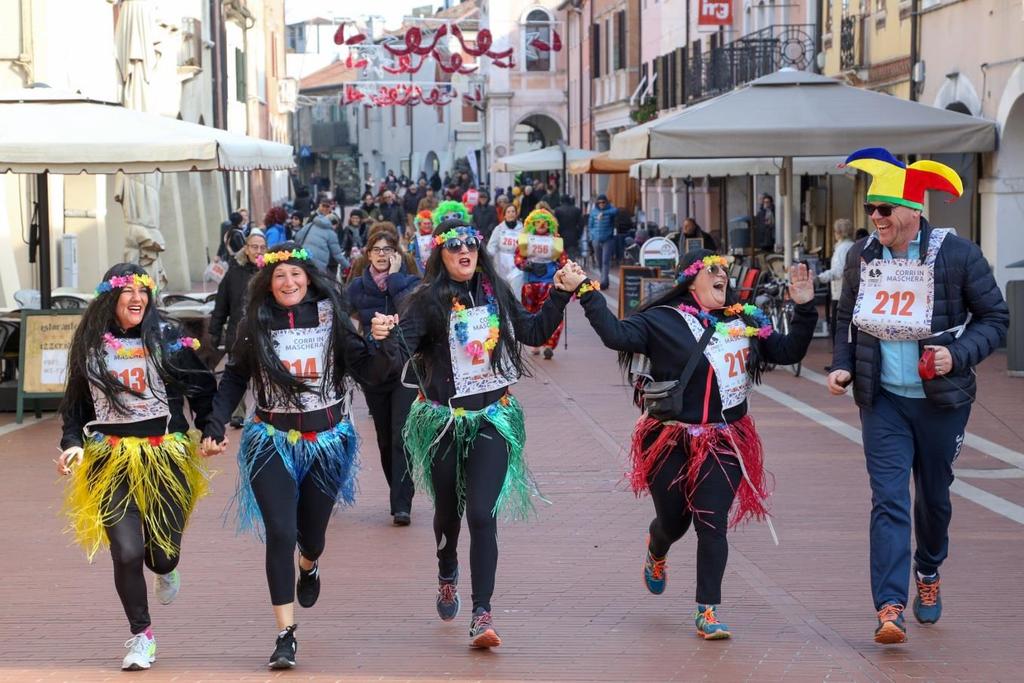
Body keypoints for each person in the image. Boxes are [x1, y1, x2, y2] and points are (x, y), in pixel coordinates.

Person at [573, 249, 815, 639]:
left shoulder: (744, 319)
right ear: (691, 279)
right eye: (713, 269)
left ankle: (708, 610)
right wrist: (586, 293)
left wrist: (804, 310)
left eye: (725, 270)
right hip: (669, 436)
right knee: (675, 519)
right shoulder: (663, 321)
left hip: (724, 439)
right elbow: (615, 336)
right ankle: (657, 548)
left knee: (710, 521)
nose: (723, 275)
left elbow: (788, 352)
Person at [827, 148, 1009, 645]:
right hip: (882, 399)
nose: (876, 220)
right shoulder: (863, 257)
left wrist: (958, 355)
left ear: (913, 211)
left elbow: (996, 320)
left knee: (933, 499)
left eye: (884, 210)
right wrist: (843, 366)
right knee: (888, 500)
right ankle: (890, 606)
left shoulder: (957, 255)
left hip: (940, 402)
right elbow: (846, 318)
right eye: (870, 210)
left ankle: (928, 570)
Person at [368, 220, 575, 649]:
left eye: (470, 245)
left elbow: (534, 332)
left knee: (482, 514)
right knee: (448, 512)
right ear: (440, 255)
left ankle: (482, 614)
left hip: (492, 419)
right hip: (443, 421)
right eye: (454, 246)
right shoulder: (425, 301)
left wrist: (559, 293)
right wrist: (383, 336)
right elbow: (397, 354)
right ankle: (447, 570)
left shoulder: (495, 293)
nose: (465, 251)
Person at [200, 242, 379, 669]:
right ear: (268, 281)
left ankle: (310, 562)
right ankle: (285, 634)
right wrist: (214, 424)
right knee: (280, 531)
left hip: (327, 440)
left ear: (309, 278)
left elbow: (366, 366)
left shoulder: (330, 318)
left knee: (310, 534)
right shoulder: (254, 323)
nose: (288, 282)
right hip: (272, 440)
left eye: (296, 274)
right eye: (280, 275)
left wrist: (383, 345)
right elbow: (234, 379)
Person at [57, 263, 216, 671]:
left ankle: (167, 568)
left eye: (142, 290)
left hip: (166, 455)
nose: (136, 298)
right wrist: (72, 443)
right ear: (111, 298)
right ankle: (141, 636)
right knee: (126, 552)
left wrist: (210, 427)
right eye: (127, 291)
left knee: (161, 556)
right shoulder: (91, 344)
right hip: (109, 459)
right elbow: (75, 404)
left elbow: (201, 386)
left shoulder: (167, 337)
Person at [346, 227, 420, 525]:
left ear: (397, 255)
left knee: (401, 432)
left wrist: (396, 281)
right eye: (376, 249)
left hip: (406, 367)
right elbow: (347, 322)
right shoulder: (356, 288)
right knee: (385, 437)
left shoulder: (411, 283)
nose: (382, 254)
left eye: (388, 249)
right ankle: (398, 490)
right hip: (374, 369)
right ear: (367, 254)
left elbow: (414, 312)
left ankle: (401, 503)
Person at [210, 229, 268, 427]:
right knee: (236, 373)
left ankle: (265, 409)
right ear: (246, 248)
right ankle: (238, 413)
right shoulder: (234, 272)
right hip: (237, 332)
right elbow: (221, 304)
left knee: (264, 374)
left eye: (262, 247)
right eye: (254, 247)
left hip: (264, 332)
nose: (258, 251)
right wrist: (214, 332)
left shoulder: (270, 272)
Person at [514, 209, 568, 359]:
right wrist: (525, 265)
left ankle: (549, 344)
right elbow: (518, 258)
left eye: (545, 222)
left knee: (553, 312)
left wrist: (562, 270)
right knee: (530, 313)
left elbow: (563, 259)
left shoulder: (555, 239)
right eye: (538, 222)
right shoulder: (526, 240)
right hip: (530, 284)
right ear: (532, 224)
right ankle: (535, 342)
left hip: (549, 282)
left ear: (549, 224)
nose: (541, 225)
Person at [816, 218, 855, 345]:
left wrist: (819, 278)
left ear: (838, 232)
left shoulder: (841, 249)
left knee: (838, 327)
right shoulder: (853, 246)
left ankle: (838, 360)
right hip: (852, 292)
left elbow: (837, 271)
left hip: (840, 292)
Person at [486, 203, 525, 298]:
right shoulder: (499, 229)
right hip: (501, 264)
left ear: (516, 214)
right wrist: (487, 258)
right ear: (504, 215)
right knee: (502, 292)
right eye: (508, 212)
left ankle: (517, 310)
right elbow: (491, 246)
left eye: (513, 211)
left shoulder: (523, 229)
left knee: (516, 292)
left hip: (517, 265)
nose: (511, 214)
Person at [588, 194, 618, 290]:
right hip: (596, 239)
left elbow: (615, 211)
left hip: (608, 239)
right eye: (599, 202)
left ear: (606, 202)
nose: (601, 204)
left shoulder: (610, 210)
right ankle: (604, 277)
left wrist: (604, 213)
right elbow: (590, 225)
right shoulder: (593, 212)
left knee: (605, 261)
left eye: (603, 202)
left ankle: (604, 281)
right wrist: (592, 235)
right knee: (599, 260)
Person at [554, 195, 583, 260]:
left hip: (560, 236)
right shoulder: (576, 210)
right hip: (573, 236)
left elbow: (555, 224)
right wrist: (578, 234)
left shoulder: (557, 210)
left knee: (561, 257)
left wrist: (556, 235)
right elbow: (581, 224)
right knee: (571, 257)